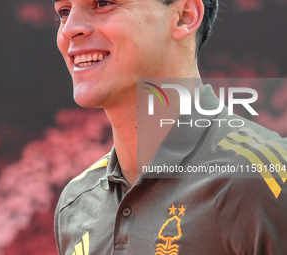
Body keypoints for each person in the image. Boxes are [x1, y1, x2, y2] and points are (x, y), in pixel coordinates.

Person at [53, 0, 287, 254]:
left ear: (185, 16)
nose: (68, 30)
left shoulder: (261, 177)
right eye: (64, 12)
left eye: (103, 3)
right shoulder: (75, 201)